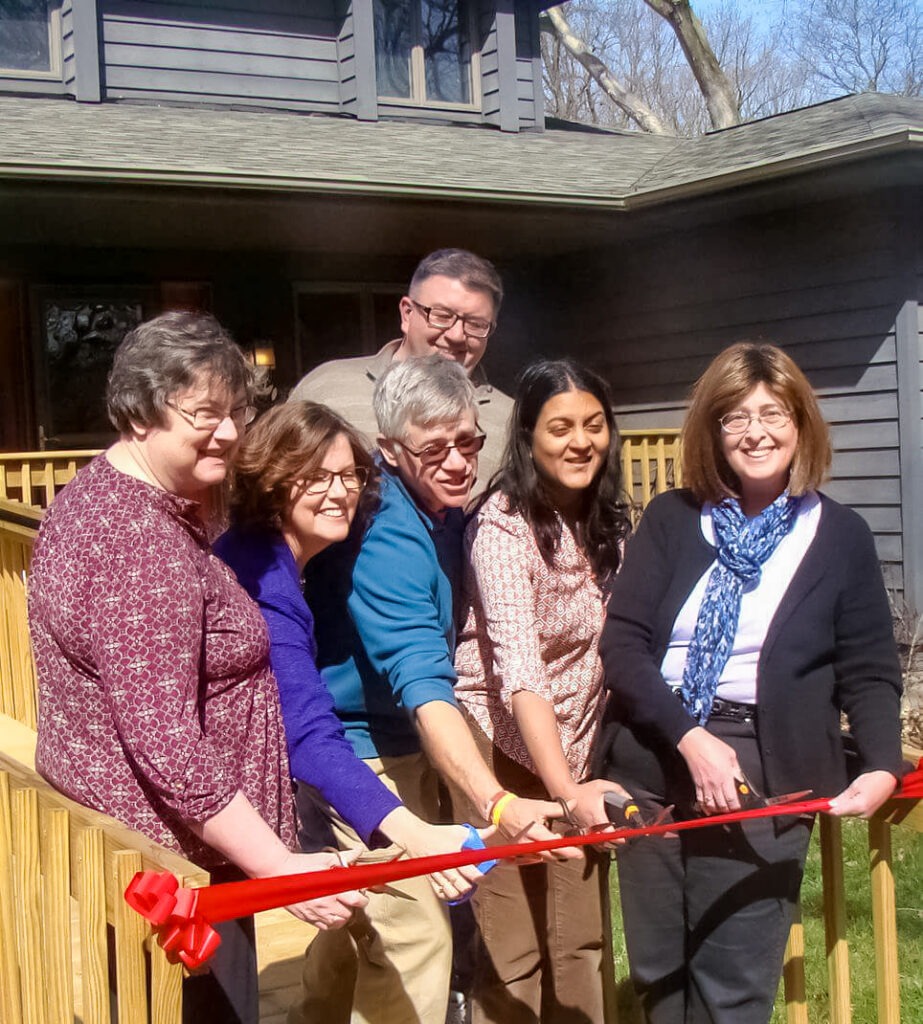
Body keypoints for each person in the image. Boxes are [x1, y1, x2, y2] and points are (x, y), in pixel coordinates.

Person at [28, 312, 366, 1024]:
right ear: (141, 412)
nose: (230, 431)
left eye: (236, 411)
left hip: (150, 860)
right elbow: (164, 740)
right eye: (205, 414)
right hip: (173, 882)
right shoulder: (136, 542)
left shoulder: (113, 499)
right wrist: (279, 868)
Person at [595, 341, 904, 1024]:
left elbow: (869, 670)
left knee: (731, 980)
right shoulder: (673, 518)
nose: (754, 432)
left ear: (800, 425)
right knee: (657, 972)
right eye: (734, 417)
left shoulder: (840, 537)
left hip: (767, 768)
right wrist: (689, 738)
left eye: (771, 413)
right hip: (654, 753)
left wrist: (882, 764)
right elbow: (621, 645)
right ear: (712, 431)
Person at [297, 355, 573, 1024]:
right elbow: (423, 686)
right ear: (389, 450)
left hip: (393, 744)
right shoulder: (390, 538)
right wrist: (497, 800)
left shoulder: (441, 507)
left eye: (469, 440)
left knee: (358, 919)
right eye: (433, 448)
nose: (457, 461)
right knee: (416, 935)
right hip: (359, 754)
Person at [214, 401, 483, 896]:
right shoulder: (261, 579)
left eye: (349, 475)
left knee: (354, 924)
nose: (340, 493)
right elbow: (306, 730)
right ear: (272, 482)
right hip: (205, 815)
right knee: (421, 937)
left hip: (243, 796)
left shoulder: (299, 557)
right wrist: (412, 832)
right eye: (316, 478)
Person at [453, 359, 633, 1024]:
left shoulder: (606, 520)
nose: (579, 441)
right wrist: (563, 793)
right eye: (559, 427)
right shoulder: (500, 526)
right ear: (528, 437)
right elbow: (519, 671)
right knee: (513, 946)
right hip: (500, 745)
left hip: (577, 751)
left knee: (580, 936)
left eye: (593, 425)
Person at [289, 248, 513, 491]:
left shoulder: (512, 419)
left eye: (476, 324)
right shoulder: (326, 389)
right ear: (407, 314)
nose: (456, 335)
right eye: (442, 315)